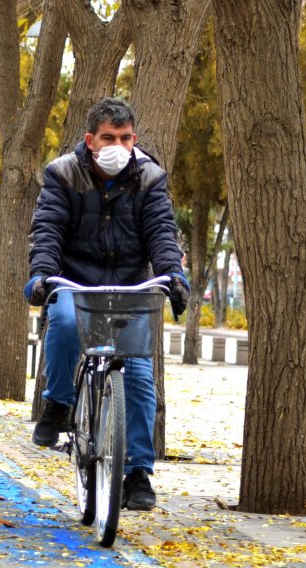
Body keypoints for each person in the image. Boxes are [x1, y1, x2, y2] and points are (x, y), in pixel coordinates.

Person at [24, 97, 189, 511]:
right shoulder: (62, 173)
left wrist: (174, 274)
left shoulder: (149, 177)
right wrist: (42, 275)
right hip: (74, 284)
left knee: (136, 375)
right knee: (61, 323)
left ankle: (137, 472)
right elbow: (47, 230)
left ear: (135, 138)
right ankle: (59, 402)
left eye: (126, 137)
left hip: (131, 290)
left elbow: (162, 232)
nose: (118, 144)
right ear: (90, 140)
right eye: (109, 137)